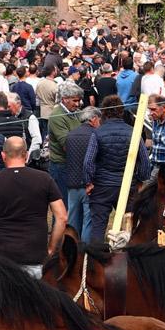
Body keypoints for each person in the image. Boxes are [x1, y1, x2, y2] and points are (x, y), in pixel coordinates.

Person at [0, 137, 66, 276]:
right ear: (26, 155)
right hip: (36, 255)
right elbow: (62, 217)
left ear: (3, 155)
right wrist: (51, 248)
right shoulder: (45, 179)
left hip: (3, 257)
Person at [83, 100, 147, 240]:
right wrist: (140, 180)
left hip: (102, 186)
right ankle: (128, 256)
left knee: (98, 226)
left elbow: (88, 161)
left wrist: (88, 182)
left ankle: (96, 257)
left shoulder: (98, 133)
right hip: (127, 185)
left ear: (104, 113)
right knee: (130, 226)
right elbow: (144, 160)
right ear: (122, 112)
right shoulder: (133, 132)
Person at [62, 106, 99, 242]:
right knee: (88, 222)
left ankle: (70, 247)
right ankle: (83, 252)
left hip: (72, 184)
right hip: (89, 184)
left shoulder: (70, 135)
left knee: (72, 221)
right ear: (94, 119)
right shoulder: (95, 135)